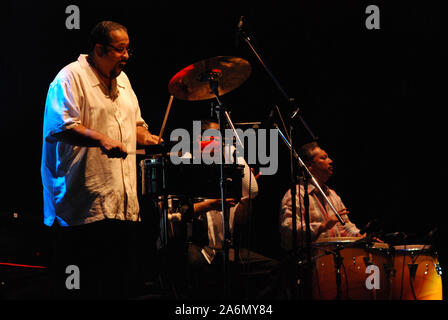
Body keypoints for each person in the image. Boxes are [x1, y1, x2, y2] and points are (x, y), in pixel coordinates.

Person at [41, 21, 160, 299]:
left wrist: (149, 138)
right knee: (88, 289)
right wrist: (101, 139)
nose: (127, 56)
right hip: (83, 209)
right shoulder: (70, 77)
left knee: (119, 287)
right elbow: (61, 127)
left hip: (122, 204)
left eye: (128, 49)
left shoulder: (124, 82)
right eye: (120, 50)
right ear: (99, 49)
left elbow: (135, 127)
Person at [165, 119, 279, 299]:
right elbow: (175, 215)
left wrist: (246, 198)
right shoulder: (185, 166)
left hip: (227, 248)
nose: (219, 141)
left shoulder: (228, 165)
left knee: (272, 268)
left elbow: (243, 216)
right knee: (193, 267)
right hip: (197, 246)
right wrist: (210, 204)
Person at [279, 141, 361, 252]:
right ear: (309, 166)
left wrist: (362, 236)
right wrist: (322, 226)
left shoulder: (333, 195)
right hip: (310, 261)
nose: (330, 161)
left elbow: (345, 227)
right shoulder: (296, 194)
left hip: (336, 259)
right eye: (323, 158)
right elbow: (288, 230)